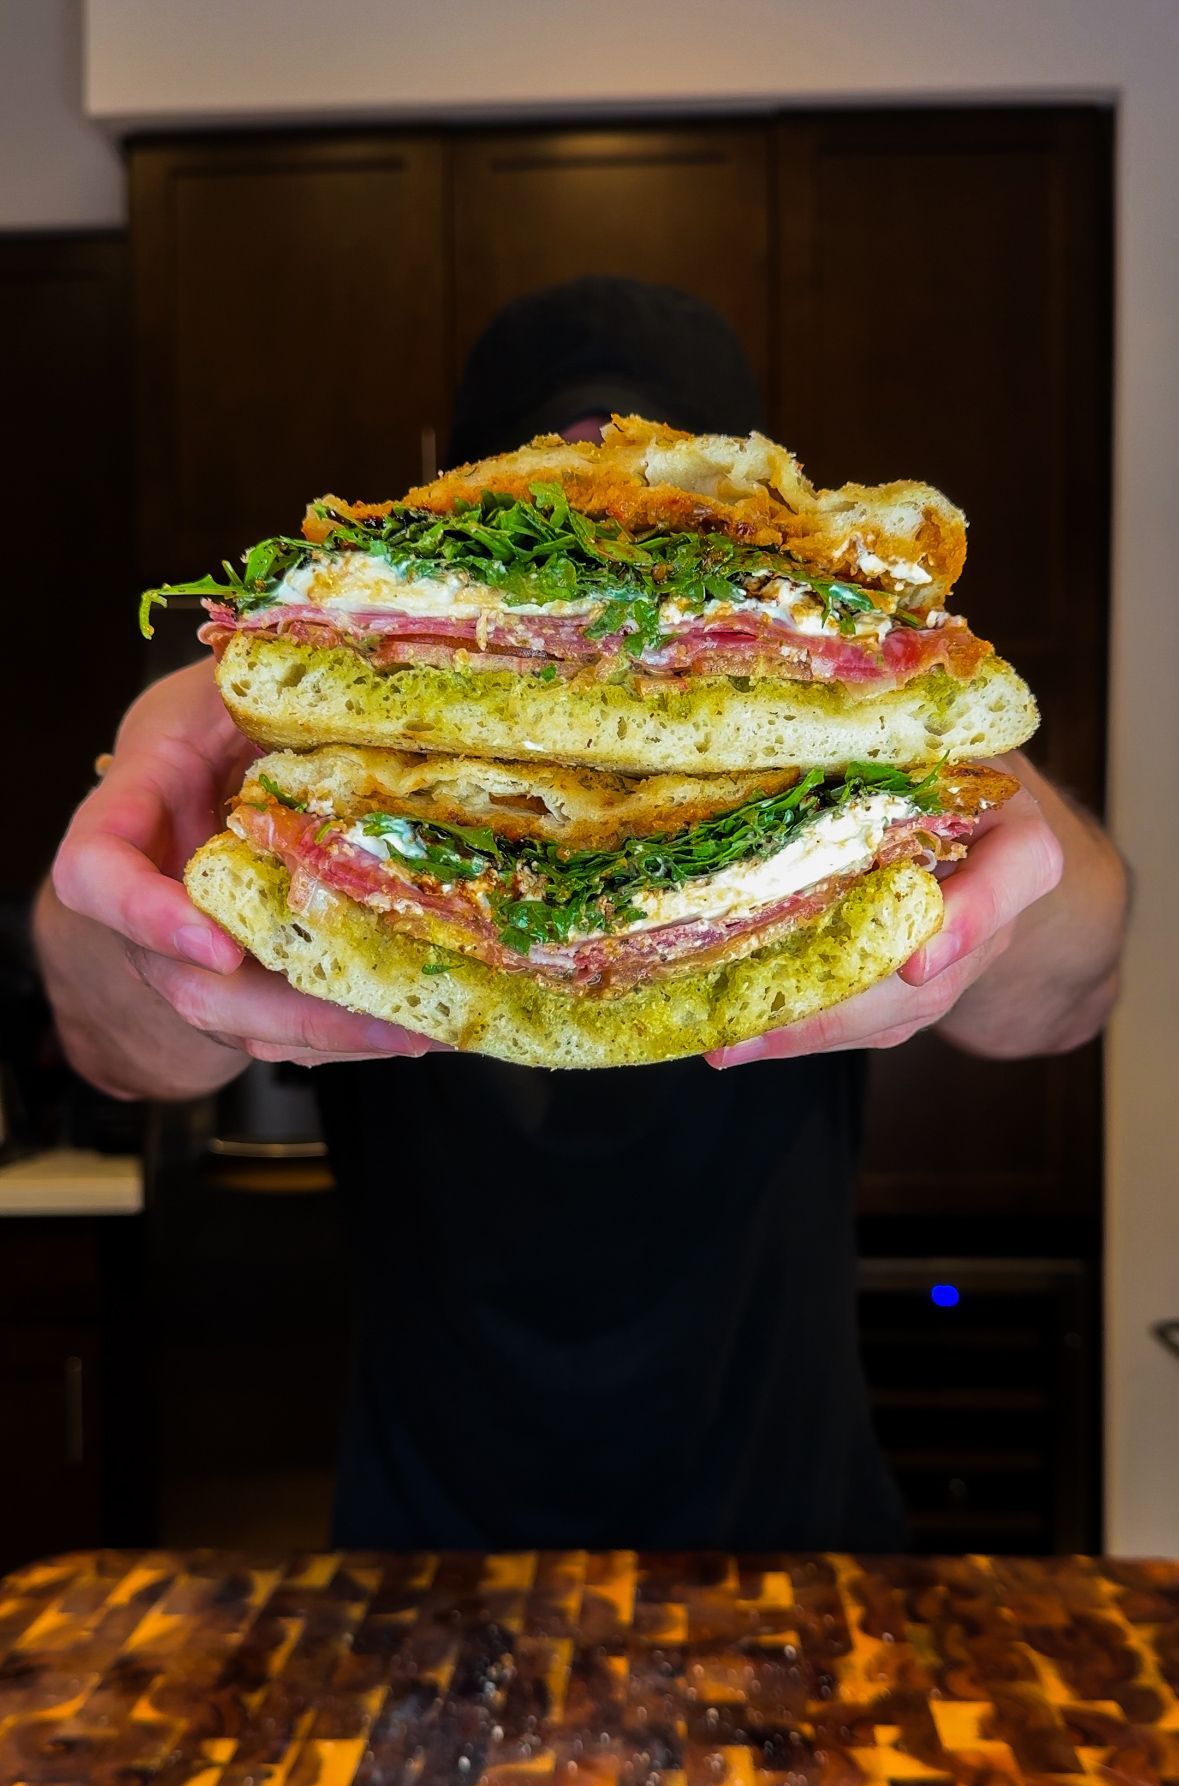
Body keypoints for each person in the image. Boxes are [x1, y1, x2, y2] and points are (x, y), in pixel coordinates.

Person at [35, 278, 1128, 1551]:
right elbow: (110, 1040)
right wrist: (146, 854)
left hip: (788, 1517)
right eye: (555, 514)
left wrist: (974, 783)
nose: (614, 586)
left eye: (670, 525)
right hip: (424, 1534)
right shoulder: (289, 766)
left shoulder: (880, 794)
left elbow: (1076, 989)